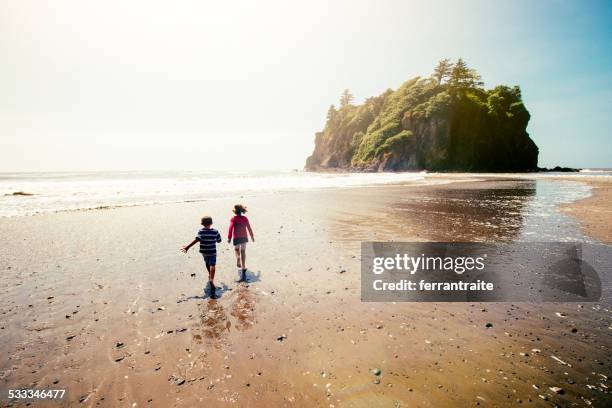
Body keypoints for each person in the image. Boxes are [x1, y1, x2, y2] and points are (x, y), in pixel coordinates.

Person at [181, 216, 222, 299]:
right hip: (212, 251)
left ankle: (209, 275)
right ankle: (211, 279)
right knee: (212, 265)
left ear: (202, 224)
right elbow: (219, 240)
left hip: (204, 251)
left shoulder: (201, 231)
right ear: (211, 223)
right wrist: (216, 239)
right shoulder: (215, 231)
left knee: (207, 263)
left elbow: (197, 239)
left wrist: (187, 247)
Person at [227, 204, 254, 282]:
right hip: (244, 238)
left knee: (236, 250)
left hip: (236, 238)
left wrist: (229, 237)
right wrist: (252, 236)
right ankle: (243, 266)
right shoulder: (245, 218)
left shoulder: (233, 219)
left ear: (235, 212)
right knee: (243, 251)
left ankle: (238, 258)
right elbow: (249, 227)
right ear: (242, 211)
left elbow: (230, 228)